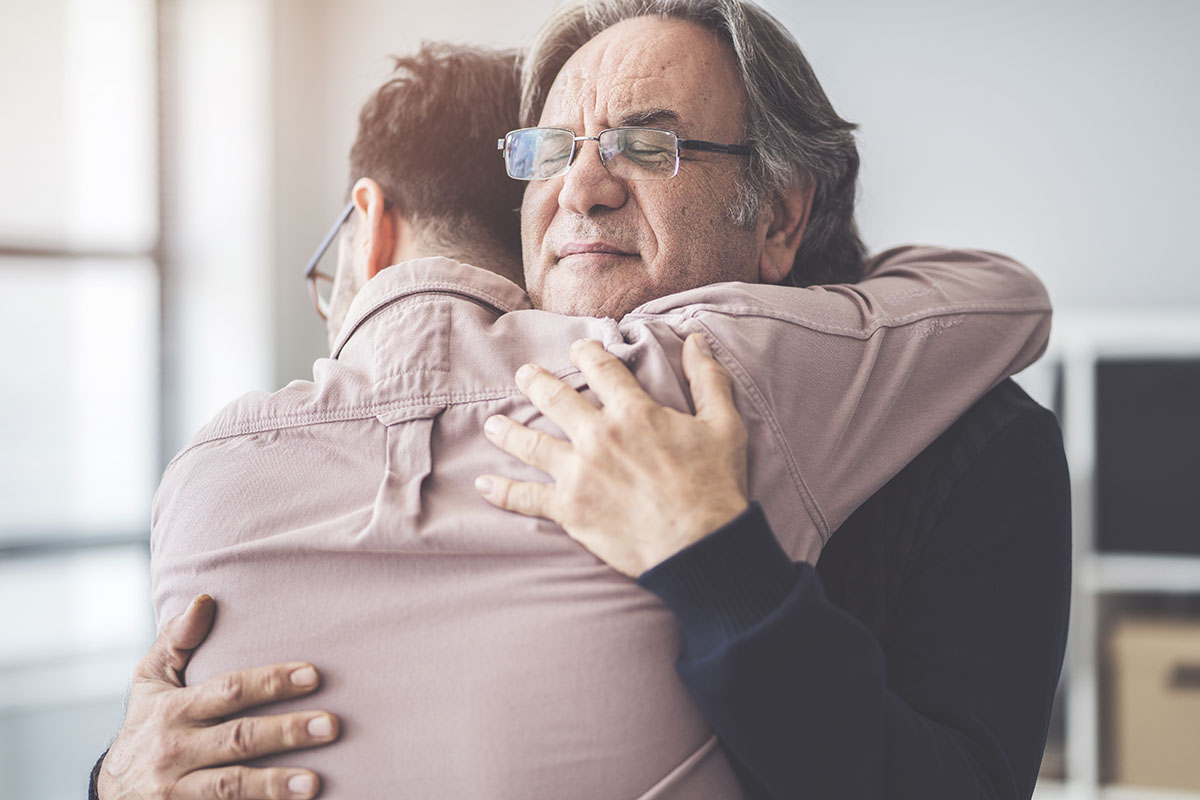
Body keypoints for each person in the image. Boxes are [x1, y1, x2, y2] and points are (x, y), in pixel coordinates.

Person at [93, 4, 1066, 799]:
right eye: (552, 151)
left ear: (777, 214)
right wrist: (117, 774)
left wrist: (713, 557)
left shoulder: (974, 439)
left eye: (648, 145)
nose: (584, 187)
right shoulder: (428, 429)